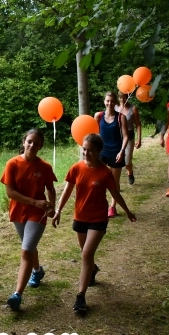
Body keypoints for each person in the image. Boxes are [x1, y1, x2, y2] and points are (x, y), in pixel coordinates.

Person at [52, 133, 136, 314]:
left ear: (98, 151)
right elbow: (67, 191)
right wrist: (58, 211)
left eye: (90, 150)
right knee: (86, 256)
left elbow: (115, 194)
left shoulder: (105, 172)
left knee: (86, 255)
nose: (85, 153)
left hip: (98, 219)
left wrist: (128, 211)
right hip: (80, 217)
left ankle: (80, 296)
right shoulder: (76, 168)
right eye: (84, 149)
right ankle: (93, 269)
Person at [0, 129, 57, 311]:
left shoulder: (45, 167)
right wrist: (34, 201)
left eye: (36, 143)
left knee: (25, 251)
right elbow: (10, 192)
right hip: (18, 211)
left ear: (41, 146)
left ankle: (17, 295)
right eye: (29, 141)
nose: (32, 145)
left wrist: (52, 208)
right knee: (29, 246)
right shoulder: (12, 164)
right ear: (24, 141)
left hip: (37, 213)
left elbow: (51, 189)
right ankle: (38, 271)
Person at [93, 92, 129, 217]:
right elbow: (94, 134)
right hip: (101, 152)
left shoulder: (121, 117)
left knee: (114, 182)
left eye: (112, 101)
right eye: (108, 101)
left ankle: (112, 207)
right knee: (97, 179)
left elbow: (125, 136)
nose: (110, 103)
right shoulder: (98, 115)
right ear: (104, 101)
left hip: (116, 152)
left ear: (115, 102)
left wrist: (122, 151)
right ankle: (98, 204)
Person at [116, 91, 142, 186]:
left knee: (127, 161)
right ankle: (115, 182)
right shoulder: (115, 107)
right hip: (117, 137)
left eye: (124, 97)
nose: (123, 100)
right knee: (115, 161)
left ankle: (130, 172)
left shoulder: (133, 109)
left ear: (128, 97)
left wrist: (139, 139)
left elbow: (138, 125)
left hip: (129, 137)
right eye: (120, 98)